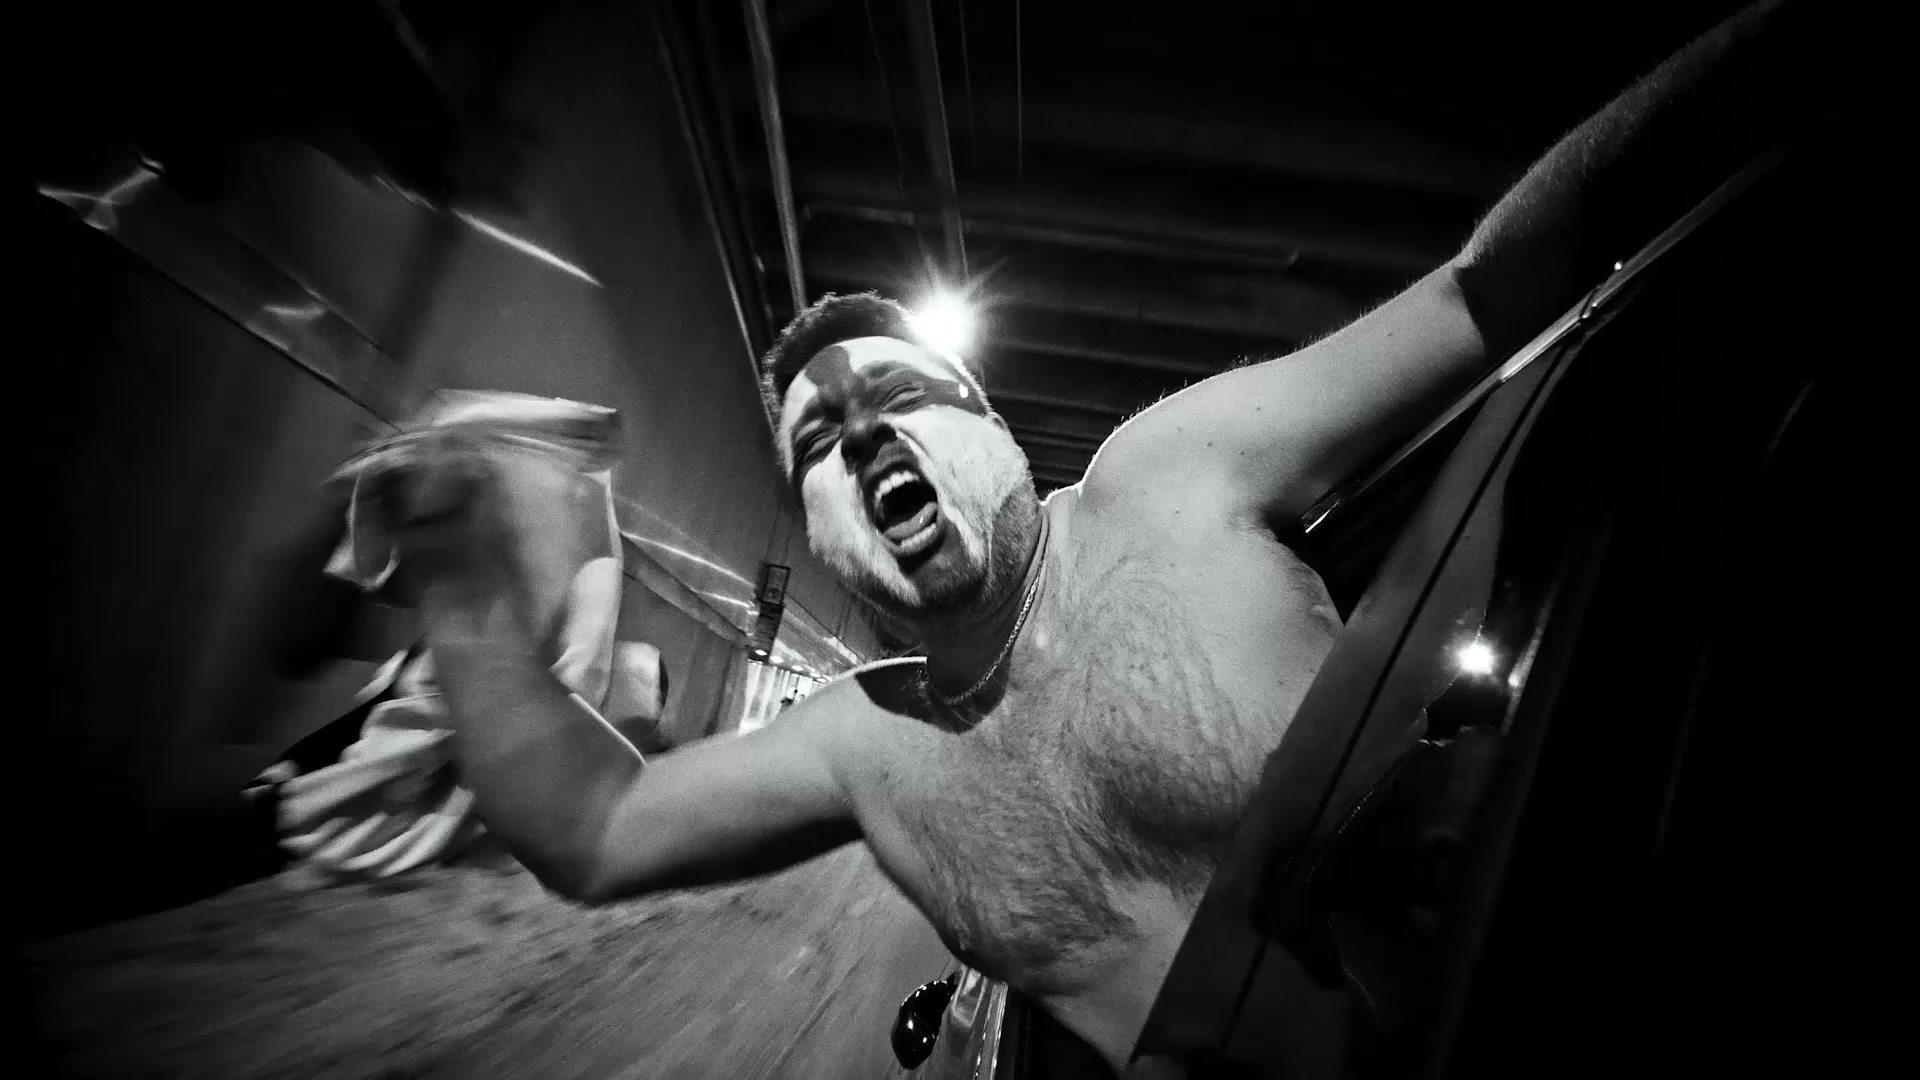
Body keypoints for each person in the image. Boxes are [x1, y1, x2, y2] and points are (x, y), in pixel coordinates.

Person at [373, 2, 1860, 1071]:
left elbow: (1492, 291)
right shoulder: (862, 749)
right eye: (820, 444)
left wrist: (1789, 40)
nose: (866, 434)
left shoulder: (1172, 477)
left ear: (1002, 429)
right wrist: (454, 577)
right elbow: (594, 829)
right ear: (816, 534)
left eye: (901, 396)